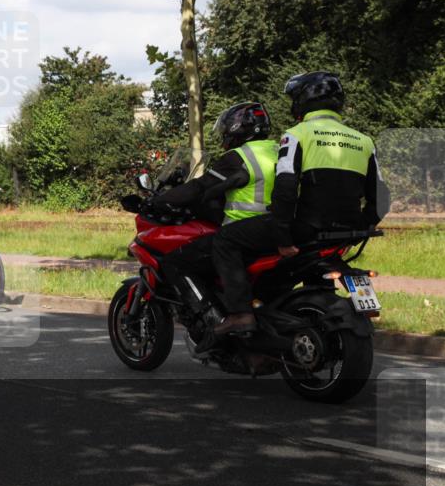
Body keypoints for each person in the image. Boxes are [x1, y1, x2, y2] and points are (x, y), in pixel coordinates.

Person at [208, 71, 388, 344]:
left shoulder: (296, 135)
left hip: (305, 227)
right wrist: (361, 227)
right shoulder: (363, 140)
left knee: (224, 240)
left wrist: (282, 237)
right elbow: (382, 197)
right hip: (344, 233)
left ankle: (240, 313)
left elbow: (286, 188)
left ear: (304, 100)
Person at [155, 102, 277, 298]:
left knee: (175, 262)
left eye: (225, 130)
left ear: (236, 128)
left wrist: (160, 200)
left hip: (244, 231)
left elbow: (200, 186)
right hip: (279, 230)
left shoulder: (238, 157)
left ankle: (211, 314)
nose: (224, 137)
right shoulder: (278, 149)